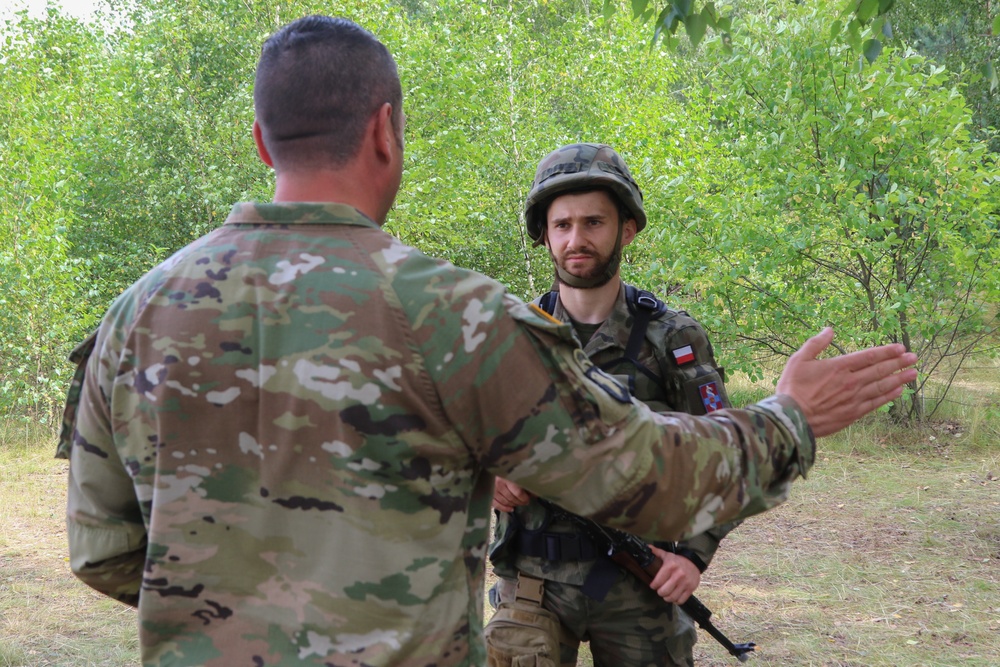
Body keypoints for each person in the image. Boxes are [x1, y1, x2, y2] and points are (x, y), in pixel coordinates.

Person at [57, 15, 918, 667]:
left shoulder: (136, 316)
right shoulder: (454, 317)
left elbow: (103, 549)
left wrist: (254, 609)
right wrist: (790, 417)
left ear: (260, 142)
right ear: (387, 131)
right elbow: (647, 476)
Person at [488, 143, 738, 667]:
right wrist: (486, 474)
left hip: (636, 588)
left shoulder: (673, 338)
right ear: (544, 234)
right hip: (532, 587)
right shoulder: (509, 334)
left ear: (626, 228)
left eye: (594, 222)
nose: (576, 240)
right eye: (562, 225)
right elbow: (453, 436)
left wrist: (692, 556)